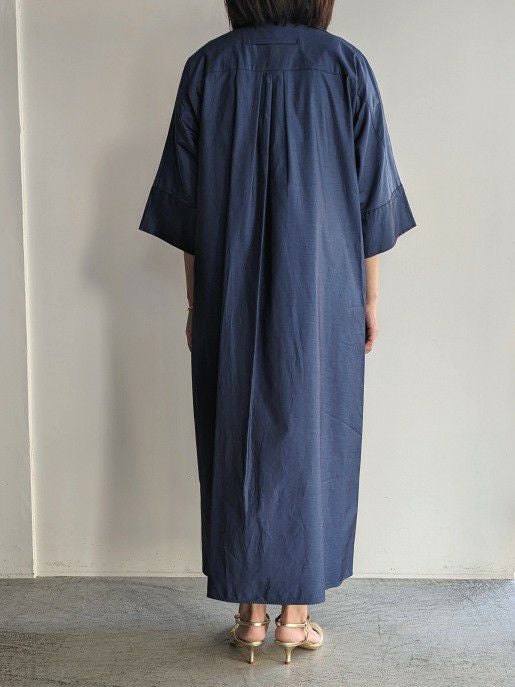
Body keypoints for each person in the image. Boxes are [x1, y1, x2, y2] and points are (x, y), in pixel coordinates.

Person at [138, 0, 416, 665]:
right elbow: (370, 198)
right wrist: (369, 298)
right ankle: (295, 615)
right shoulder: (345, 65)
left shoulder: (208, 67)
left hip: (228, 288)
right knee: (316, 434)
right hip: (324, 290)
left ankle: (250, 614)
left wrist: (196, 301)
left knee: (236, 431)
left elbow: (188, 207)